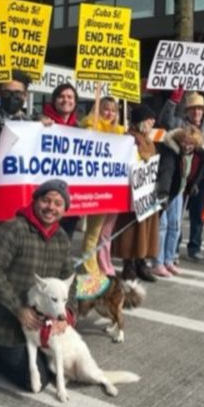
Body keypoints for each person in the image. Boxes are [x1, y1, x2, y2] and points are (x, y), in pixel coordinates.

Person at [0, 179, 75, 391]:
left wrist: (67, 315)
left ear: (64, 209)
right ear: (35, 201)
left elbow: (71, 280)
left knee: (58, 370)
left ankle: (2, 352)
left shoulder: (62, 238)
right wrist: (18, 309)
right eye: (46, 200)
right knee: (35, 383)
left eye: (58, 203)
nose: (51, 207)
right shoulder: (13, 229)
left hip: (42, 326)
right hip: (7, 323)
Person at [158, 90, 204, 263]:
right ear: (187, 110)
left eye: (199, 109)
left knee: (197, 216)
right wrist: (173, 100)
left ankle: (195, 248)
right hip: (179, 177)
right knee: (175, 218)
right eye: (193, 109)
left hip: (199, 179)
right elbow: (164, 120)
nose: (196, 112)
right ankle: (174, 250)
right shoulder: (179, 124)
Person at [113, 105, 160, 282]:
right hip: (132, 191)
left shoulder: (148, 139)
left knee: (146, 229)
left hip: (146, 190)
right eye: (150, 119)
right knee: (131, 230)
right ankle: (129, 264)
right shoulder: (129, 139)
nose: (153, 122)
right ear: (141, 121)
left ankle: (142, 261)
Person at [79, 97, 125, 278]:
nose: (109, 114)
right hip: (96, 189)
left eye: (113, 111)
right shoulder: (89, 128)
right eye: (105, 109)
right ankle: (90, 268)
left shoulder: (121, 132)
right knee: (93, 233)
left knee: (106, 232)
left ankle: (103, 263)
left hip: (113, 188)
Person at [154, 127, 204, 277]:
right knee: (162, 227)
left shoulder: (198, 155)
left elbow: (197, 171)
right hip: (164, 192)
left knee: (175, 227)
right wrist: (163, 194)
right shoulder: (171, 152)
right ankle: (158, 262)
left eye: (191, 143)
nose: (187, 145)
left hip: (178, 192)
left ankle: (169, 260)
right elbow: (167, 172)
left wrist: (194, 184)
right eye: (184, 142)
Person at [39, 83, 80, 237]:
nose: (65, 100)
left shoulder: (79, 128)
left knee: (65, 238)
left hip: (70, 196)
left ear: (75, 102)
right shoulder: (41, 121)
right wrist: (38, 123)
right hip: (46, 194)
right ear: (54, 100)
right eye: (61, 96)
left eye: (70, 97)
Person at [0, 70, 32, 154]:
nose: (12, 97)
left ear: (25, 96)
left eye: (17, 93)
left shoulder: (32, 124)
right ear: (0, 93)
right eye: (6, 93)